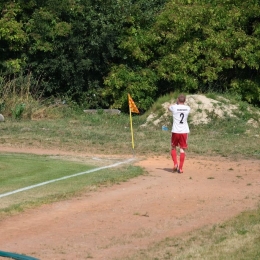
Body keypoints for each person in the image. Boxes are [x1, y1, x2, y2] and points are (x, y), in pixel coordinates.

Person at [168, 94, 190, 173]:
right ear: (185, 100)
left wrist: (175, 103)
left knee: (173, 147)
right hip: (184, 131)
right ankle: (180, 168)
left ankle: (175, 163)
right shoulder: (187, 108)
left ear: (178, 100)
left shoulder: (174, 107)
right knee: (182, 149)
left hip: (175, 131)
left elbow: (168, 107)